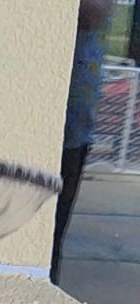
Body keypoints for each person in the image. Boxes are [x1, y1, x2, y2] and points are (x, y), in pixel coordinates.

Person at [53, 0, 116, 282]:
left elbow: (96, 12)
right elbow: (92, 11)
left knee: (54, 228)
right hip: (58, 124)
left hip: (74, 129)